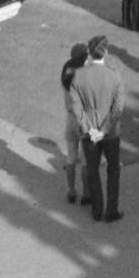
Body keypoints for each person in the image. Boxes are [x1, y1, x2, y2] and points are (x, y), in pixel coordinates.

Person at [72, 37, 125, 222]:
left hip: (89, 132)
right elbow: (117, 108)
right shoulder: (114, 74)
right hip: (110, 132)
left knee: (92, 169)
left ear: (89, 52)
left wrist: (90, 130)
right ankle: (111, 210)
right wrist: (104, 130)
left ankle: (97, 210)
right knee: (113, 169)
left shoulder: (79, 75)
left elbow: (76, 108)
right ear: (106, 52)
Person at [60, 42, 91, 205]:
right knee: (85, 160)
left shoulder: (67, 72)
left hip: (70, 119)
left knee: (71, 157)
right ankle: (86, 193)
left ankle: (71, 191)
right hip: (83, 120)